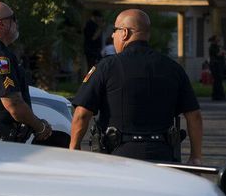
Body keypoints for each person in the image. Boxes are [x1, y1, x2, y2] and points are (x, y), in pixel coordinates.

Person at [69, 9, 203, 164]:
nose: (112, 35)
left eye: (115, 30)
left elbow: (82, 114)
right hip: (163, 158)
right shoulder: (173, 68)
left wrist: (74, 149)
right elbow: (194, 116)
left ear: (125, 33)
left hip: (118, 159)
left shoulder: (107, 67)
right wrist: (195, 157)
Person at [0, 1, 54, 145]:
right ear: (1, 24)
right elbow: (13, 104)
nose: (16, 23)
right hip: (0, 143)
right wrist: (40, 127)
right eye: (13, 19)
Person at [208, 35, 226, 101]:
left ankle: (218, 95)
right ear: (214, 40)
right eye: (217, 39)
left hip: (219, 65)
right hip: (215, 66)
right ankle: (217, 95)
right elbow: (217, 54)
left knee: (218, 81)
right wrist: (222, 52)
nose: (218, 40)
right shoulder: (212, 47)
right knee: (217, 81)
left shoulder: (217, 46)